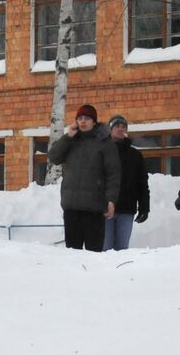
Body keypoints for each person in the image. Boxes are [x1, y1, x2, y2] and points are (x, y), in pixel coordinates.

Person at [47, 103, 119, 252]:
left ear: (94, 121)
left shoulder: (105, 143)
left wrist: (111, 200)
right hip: (72, 206)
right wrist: (67, 137)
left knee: (94, 253)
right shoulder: (70, 140)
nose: (83, 121)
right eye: (80, 118)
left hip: (94, 207)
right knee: (72, 254)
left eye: (87, 118)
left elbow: (113, 174)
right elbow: (54, 157)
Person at [103, 115, 149, 251]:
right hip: (104, 209)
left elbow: (142, 183)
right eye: (117, 126)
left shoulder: (135, 155)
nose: (120, 129)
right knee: (105, 250)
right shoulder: (101, 152)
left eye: (123, 127)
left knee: (122, 250)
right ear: (110, 129)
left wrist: (144, 207)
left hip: (127, 209)